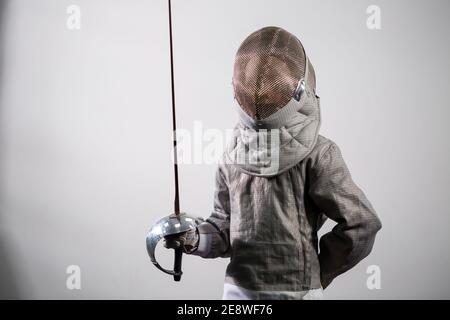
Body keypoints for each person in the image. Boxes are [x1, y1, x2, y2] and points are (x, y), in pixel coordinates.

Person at [164, 26, 382, 300]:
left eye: (271, 85)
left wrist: (315, 273)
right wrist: (193, 238)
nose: (261, 93)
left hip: (296, 294)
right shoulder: (232, 158)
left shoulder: (318, 154)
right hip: (239, 294)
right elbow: (223, 229)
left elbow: (361, 223)